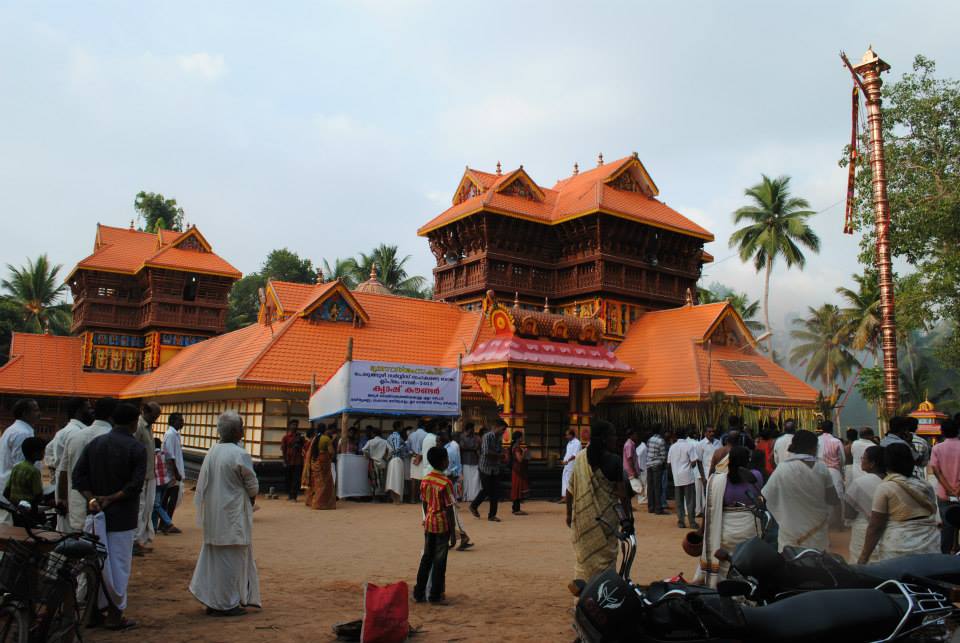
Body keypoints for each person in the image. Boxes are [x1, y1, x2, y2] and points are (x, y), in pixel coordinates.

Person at [72, 402, 146, 631]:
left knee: (96, 563)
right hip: (122, 517)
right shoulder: (136, 448)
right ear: (134, 423)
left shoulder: (96, 443)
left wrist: (93, 498)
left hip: (95, 515)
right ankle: (115, 615)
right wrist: (112, 498)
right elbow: (135, 485)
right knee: (119, 566)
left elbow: (78, 476)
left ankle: (92, 613)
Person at [190, 411, 261, 617]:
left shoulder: (212, 450)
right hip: (232, 516)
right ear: (238, 431)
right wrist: (251, 496)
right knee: (231, 561)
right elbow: (253, 486)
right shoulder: (239, 454)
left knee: (215, 560)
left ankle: (214, 600)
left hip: (214, 515)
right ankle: (226, 604)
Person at [566, 419, 633, 581]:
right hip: (606, 521)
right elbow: (622, 495)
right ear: (604, 438)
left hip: (583, 519)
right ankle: (602, 596)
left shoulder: (580, 458)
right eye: (613, 435)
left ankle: (582, 598)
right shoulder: (614, 461)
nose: (616, 439)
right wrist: (628, 520)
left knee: (584, 560)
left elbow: (570, 490)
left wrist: (569, 515)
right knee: (606, 560)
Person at [694, 446, 764, 588]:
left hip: (726, 534)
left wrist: (701, 530)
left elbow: (710, 508)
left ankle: (721, 586)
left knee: (723, 563)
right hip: (749, 532)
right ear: (747, 461)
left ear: (728, 461)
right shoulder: (756, 476)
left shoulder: (718, 481)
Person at [859, 442, 940, 563]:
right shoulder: (925, 485)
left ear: (887, 463)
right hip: (929, 546)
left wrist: (864, 557)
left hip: (897, 549)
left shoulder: (885, 488)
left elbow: (875, 527)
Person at [762, 430, 838, 552]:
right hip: (817, 529)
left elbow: (767, 496)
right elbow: (833, 499)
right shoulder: (821, 467)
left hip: (790, 531)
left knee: (791, 564)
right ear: (814, 447)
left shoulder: (782, 468)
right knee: (818, 564)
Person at [59, 397, 117, 532]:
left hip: (77, 504)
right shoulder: (113, 439)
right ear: (114, 415)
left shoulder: (75, 437)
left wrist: (62, 499)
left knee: (76, 546)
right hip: (104, 506)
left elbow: (63, 471)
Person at [413, 446, 456, 605]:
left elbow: (424, 503)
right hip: (442, 524)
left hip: (429, 522)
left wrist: (426, 518)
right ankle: (435, 595)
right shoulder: (446, 482)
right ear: (444, 461)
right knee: (440, 561)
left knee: (426, 558)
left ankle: (419, 592)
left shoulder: (425, 479)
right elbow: (449, 508)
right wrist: (452, 532)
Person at [44, 397, 92, 531]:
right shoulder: (76, 433)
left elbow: (47, 456)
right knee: (72, 532)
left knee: (64, 529)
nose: (91, 411)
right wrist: (49, 484)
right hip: (71, 487)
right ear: (78, 411)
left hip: (63, 486)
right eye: (88, 408)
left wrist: (49, 485)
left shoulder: (64, 431)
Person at [844, 445, 885, 563]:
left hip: (863, 530)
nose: (861, 460)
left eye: (864, 458)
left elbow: (849, 513)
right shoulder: (891, 481)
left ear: (872, 463)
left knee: (862, 566)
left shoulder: (859, 483)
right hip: (887, 532)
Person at [133, 401, 161, 555]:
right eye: (155, 416)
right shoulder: (138, 427)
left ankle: (141, 539)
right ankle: (135, 542)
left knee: (147, 509)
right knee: (140, 508)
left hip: (150, 474)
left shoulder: (148, 427)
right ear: (146, 412)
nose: (156, 419)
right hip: (141, 476)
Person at [439, 431, 473, 550]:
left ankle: (462, 536)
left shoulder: (449, 450)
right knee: (451, 513)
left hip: (448, 484)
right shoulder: (453, 447)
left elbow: (449, 470)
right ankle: (455, 538)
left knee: (452, 513)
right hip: (450, 483)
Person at [930, 418, 960, 554]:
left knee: (947, 526)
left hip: (944, 494)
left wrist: (949, 489)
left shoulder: (937, 448)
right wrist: (957, 489)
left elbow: (936, 470)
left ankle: (946, 556)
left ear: (942, 432)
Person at [0, 399, 40, 498]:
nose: (39, 413)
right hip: (17, 492)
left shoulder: (13, 429)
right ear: (25, 414)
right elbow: (22, 467)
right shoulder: (22, 433)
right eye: (35, 410)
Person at [469, 418, 506, 522]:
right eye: (503, 429)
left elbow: (498, 450)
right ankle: (475, 506)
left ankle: (491, 515)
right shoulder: (487, 436)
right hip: (485, 467)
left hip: (494, 468)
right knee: (488, 490)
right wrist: (500, 455)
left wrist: (500, 455)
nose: (503, 432)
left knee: (493, 491)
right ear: (497, 427)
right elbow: (485, 452)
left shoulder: (499, 438)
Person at [4, 437, 46, 527]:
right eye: (42, 451)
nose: (44, 454)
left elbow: (6, 492)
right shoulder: (34, 471)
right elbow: (38, 495)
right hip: (29, 512)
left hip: (16, 511)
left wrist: (16, 505)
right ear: (35, 453)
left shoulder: (16, 467)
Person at [667, 427, 701, 529]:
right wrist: (690, 466)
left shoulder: (672, 447)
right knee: (690, 501)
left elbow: (668, 463)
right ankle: (692, 522)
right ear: (685, 435)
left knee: (679, 501)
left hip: (677, 477)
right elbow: (694, 461)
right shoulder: (689, 446)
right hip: (688, 476)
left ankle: (681, 521)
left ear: (675, 436)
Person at [160, 413, 185, 532]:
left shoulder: (175, 434)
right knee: (171, 499)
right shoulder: (171, 435)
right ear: (173, 421)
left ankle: (164, 523)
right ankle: (167, 523)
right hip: (172, 473)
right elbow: (170, 455)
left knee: (167, 499)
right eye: (180, 420)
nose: (182, 422)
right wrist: (176, 473)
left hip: (173, 472)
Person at [302, 424, 336, 510]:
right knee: (325, 483)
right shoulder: (326, 439)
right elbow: (331, 451)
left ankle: (313, 501)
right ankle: (322, 503)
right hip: (324, 462)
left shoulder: (314, 439)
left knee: (315, 483)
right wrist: (330, 457)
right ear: (325, 430)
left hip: (315, 462)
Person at [362, 426, 393, 500]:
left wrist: (368, 456)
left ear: (373, 434)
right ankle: (382, 496)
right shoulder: (384, 441)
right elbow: (391, 450)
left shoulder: (370, 441)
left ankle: (374, 497)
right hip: (382, 462)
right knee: (382, 479)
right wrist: (386, 457)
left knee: (373, 479)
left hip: (372, 462)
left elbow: (364, 449)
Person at [695, 426, 721, 515]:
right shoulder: (700, 444)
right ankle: (707, 514)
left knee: (715, 494)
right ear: (705, 433)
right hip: (706, 473)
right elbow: (699, 461)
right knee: (706, 495)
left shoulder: (718, 442)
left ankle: (714, 513)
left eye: (713, 431)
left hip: (718, 473)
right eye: (709, 432)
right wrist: (702, 477)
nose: (712, 433)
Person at [152, 438, 176, 533]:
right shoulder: (165, 454)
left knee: (156, 505)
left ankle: (168, 522)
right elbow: (171, 464)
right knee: (157, 505)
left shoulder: (151, 455)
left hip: (156, 483)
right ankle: (154, 527)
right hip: (165, 482)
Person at [280, 419, 304, 502]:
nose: (294, 426)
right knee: (289, 478)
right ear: (289, 426)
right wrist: (284, 460)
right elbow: (283, 449)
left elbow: (303, 447)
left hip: (298, 461)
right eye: (293, 425)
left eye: (296, 425)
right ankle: (290, 495)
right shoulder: (286, 437)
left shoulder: (300, 437)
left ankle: (294, 496)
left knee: (296, 479)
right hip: (289, 460)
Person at [645, 426, 667, 515]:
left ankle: (651, 507)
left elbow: (648, 450)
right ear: (659, 431)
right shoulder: (661, 441)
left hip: (649, 464)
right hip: (657, 465)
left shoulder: (650, 439)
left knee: (650, 487)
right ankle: (658, 509)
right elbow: (663, 455)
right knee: (658, 487)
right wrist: (663, 464)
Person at [385, 421, 408, 504]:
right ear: (399, 427)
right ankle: (397, 500)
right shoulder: (397, 436)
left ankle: (394, 499)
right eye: (402, 426)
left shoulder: (389, 437)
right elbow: (396, 449)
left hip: (391, 460)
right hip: (397, 459)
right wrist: (404, 446)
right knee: (397, 480)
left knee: (392, 480)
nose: (402, 428)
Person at [407, 420, 428, 503]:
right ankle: (421, 498)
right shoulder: (426, 435)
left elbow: (408, 448)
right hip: (423, 458)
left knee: (413, 479)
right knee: (423, 479)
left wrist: (413, 453)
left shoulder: (411, 435)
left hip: (413, 457)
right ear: (424, 426)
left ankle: (412, 499)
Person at [460, 423, 482, 503]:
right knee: (466, 480)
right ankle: (466, 496)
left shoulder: (476, 437)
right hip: (466, 461)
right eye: (472, 428)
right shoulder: (462, 436)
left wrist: (468, 448)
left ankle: (473, 496)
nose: (473, 430)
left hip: (474, 461)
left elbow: (476, 447)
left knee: (475, 480)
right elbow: (462, 447)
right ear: (468, 428)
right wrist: (472, 448)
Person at [509, 432, 530, 516]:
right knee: (517, 488)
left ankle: (516, 508)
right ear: (518, 438)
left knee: (517, 488)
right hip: (517, 470)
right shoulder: (517, 448)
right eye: (521, 437)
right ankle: (516, 509)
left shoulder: (515, 447)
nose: (522, 439)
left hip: (517, 469)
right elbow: (520, 459)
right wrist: (524, 452)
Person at [560, 429, 582, 501]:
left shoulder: (577, 443)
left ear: (571, 435)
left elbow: (575, 455)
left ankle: (569, 497)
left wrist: (567, 461)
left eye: (567, 435)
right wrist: (564, 460)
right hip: (567, 464)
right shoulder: (569, 443)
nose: (566, 436)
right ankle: (564, 496)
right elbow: (568, 453)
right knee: (565, 479)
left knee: (570, 480)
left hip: (572, 464)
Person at [623, 428, 642, 498]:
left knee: (635, 490)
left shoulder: (631, 444)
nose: (636, 436)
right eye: (635, 434)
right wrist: (634, 472)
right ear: (631, 435)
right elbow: (630, 459)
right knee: (635, 489)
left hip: (630, 471)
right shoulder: (629, 445)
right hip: (630, 472)